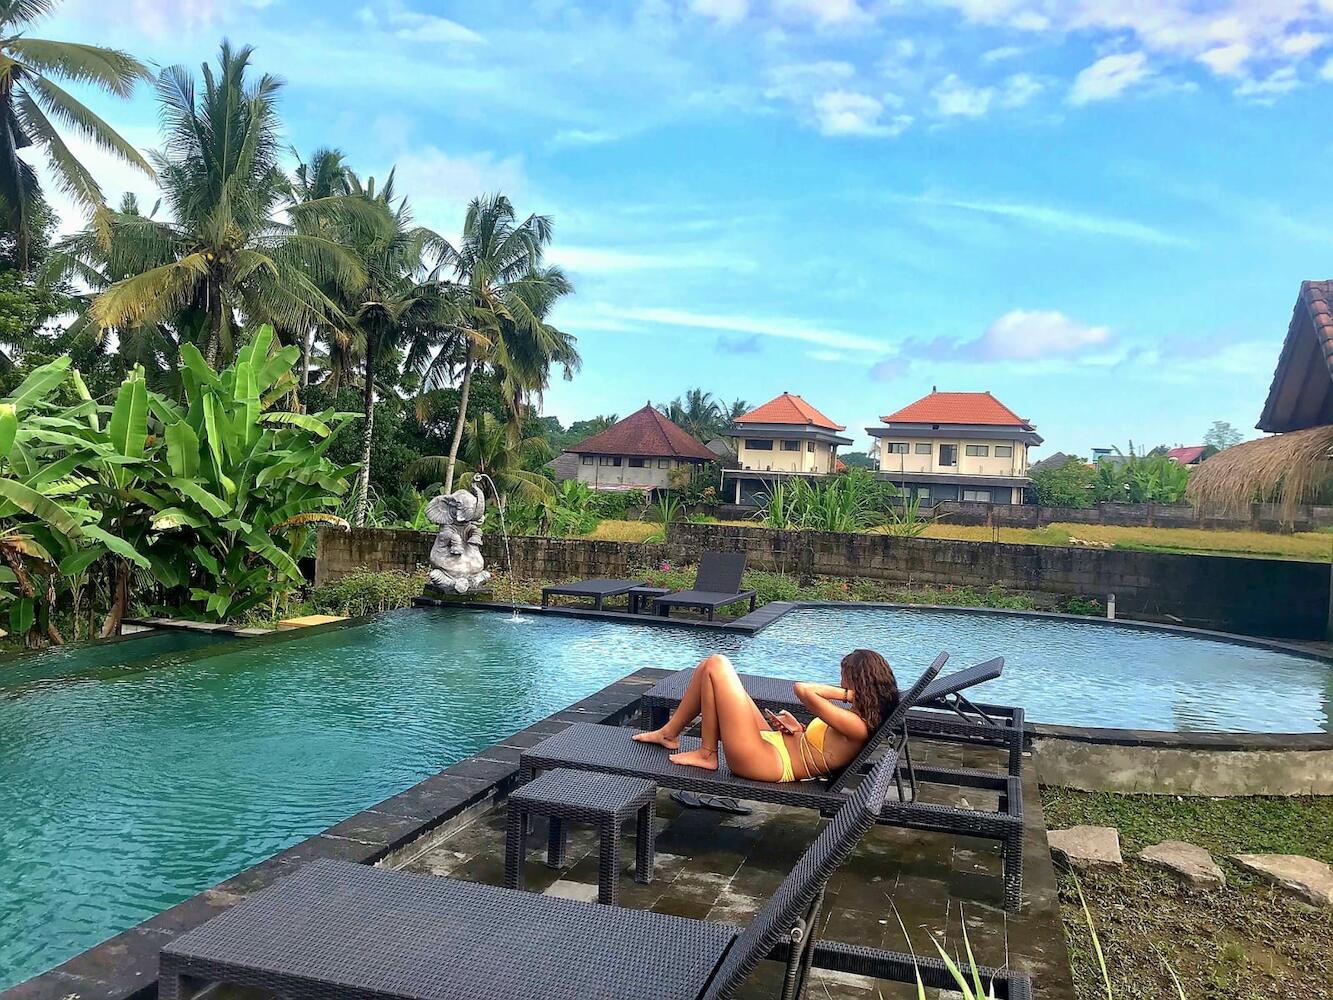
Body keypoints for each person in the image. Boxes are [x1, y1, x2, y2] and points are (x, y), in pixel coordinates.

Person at [633, 649, 900, 782]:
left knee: (718, 664)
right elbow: (825, 748)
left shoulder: (857, 724)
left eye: (844, 677)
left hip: (769, 762)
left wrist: (848, 695)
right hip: (778, 744)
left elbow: (803, 690)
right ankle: (669, 734)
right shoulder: (857, 719)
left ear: (857, 682)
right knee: (709, 668)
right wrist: (798, 729)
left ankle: (706, 753)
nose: (840, 681)